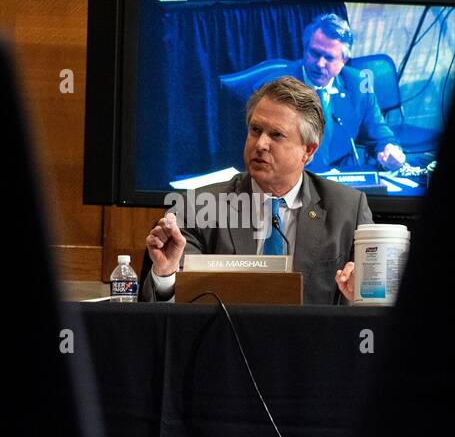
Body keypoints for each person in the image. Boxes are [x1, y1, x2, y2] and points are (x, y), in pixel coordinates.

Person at [141, 76, 371, 305]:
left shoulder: (348, 210)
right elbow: (173, 311)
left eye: (276, 135)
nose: (260, 144)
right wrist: (166, 275)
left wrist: (361, 294)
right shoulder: (196, 208)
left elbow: (372, 304)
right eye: (255, 130)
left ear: (308, 151)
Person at [296, 13, 406, 173]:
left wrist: (390, 151)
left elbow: (380, 136)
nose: (320, 64)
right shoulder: (279, 83)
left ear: (344, 60)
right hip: (295, 175)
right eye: (315, 53)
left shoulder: (359, 84)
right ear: (305, 49)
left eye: (329, 58)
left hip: (342, 175)